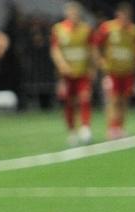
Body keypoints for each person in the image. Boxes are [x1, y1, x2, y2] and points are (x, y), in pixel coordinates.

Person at [93, 3, 135, 139]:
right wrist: (100, 61)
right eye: (122, 15)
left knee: (124, 100)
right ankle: (112, 128)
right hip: (112, 71)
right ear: (118, 15)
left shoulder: (134, 31)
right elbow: (96, 45)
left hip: (127, 71)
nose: (124, 18)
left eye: (127, 16)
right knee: (113, 99)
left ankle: (121, 127)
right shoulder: (108, 28)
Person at [51, 2, 94, 145]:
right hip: (66, 74)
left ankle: (86, 127)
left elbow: (91, 49)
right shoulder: (59, 29)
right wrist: (62, 65)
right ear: (67, 14)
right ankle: (72, 131)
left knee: (85, 98)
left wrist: (92, 67)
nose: (73, 15)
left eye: (75, 13)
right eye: (71, 13)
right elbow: (55, 50)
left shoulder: (86, 29)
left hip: (82, 71)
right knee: (69, 102)